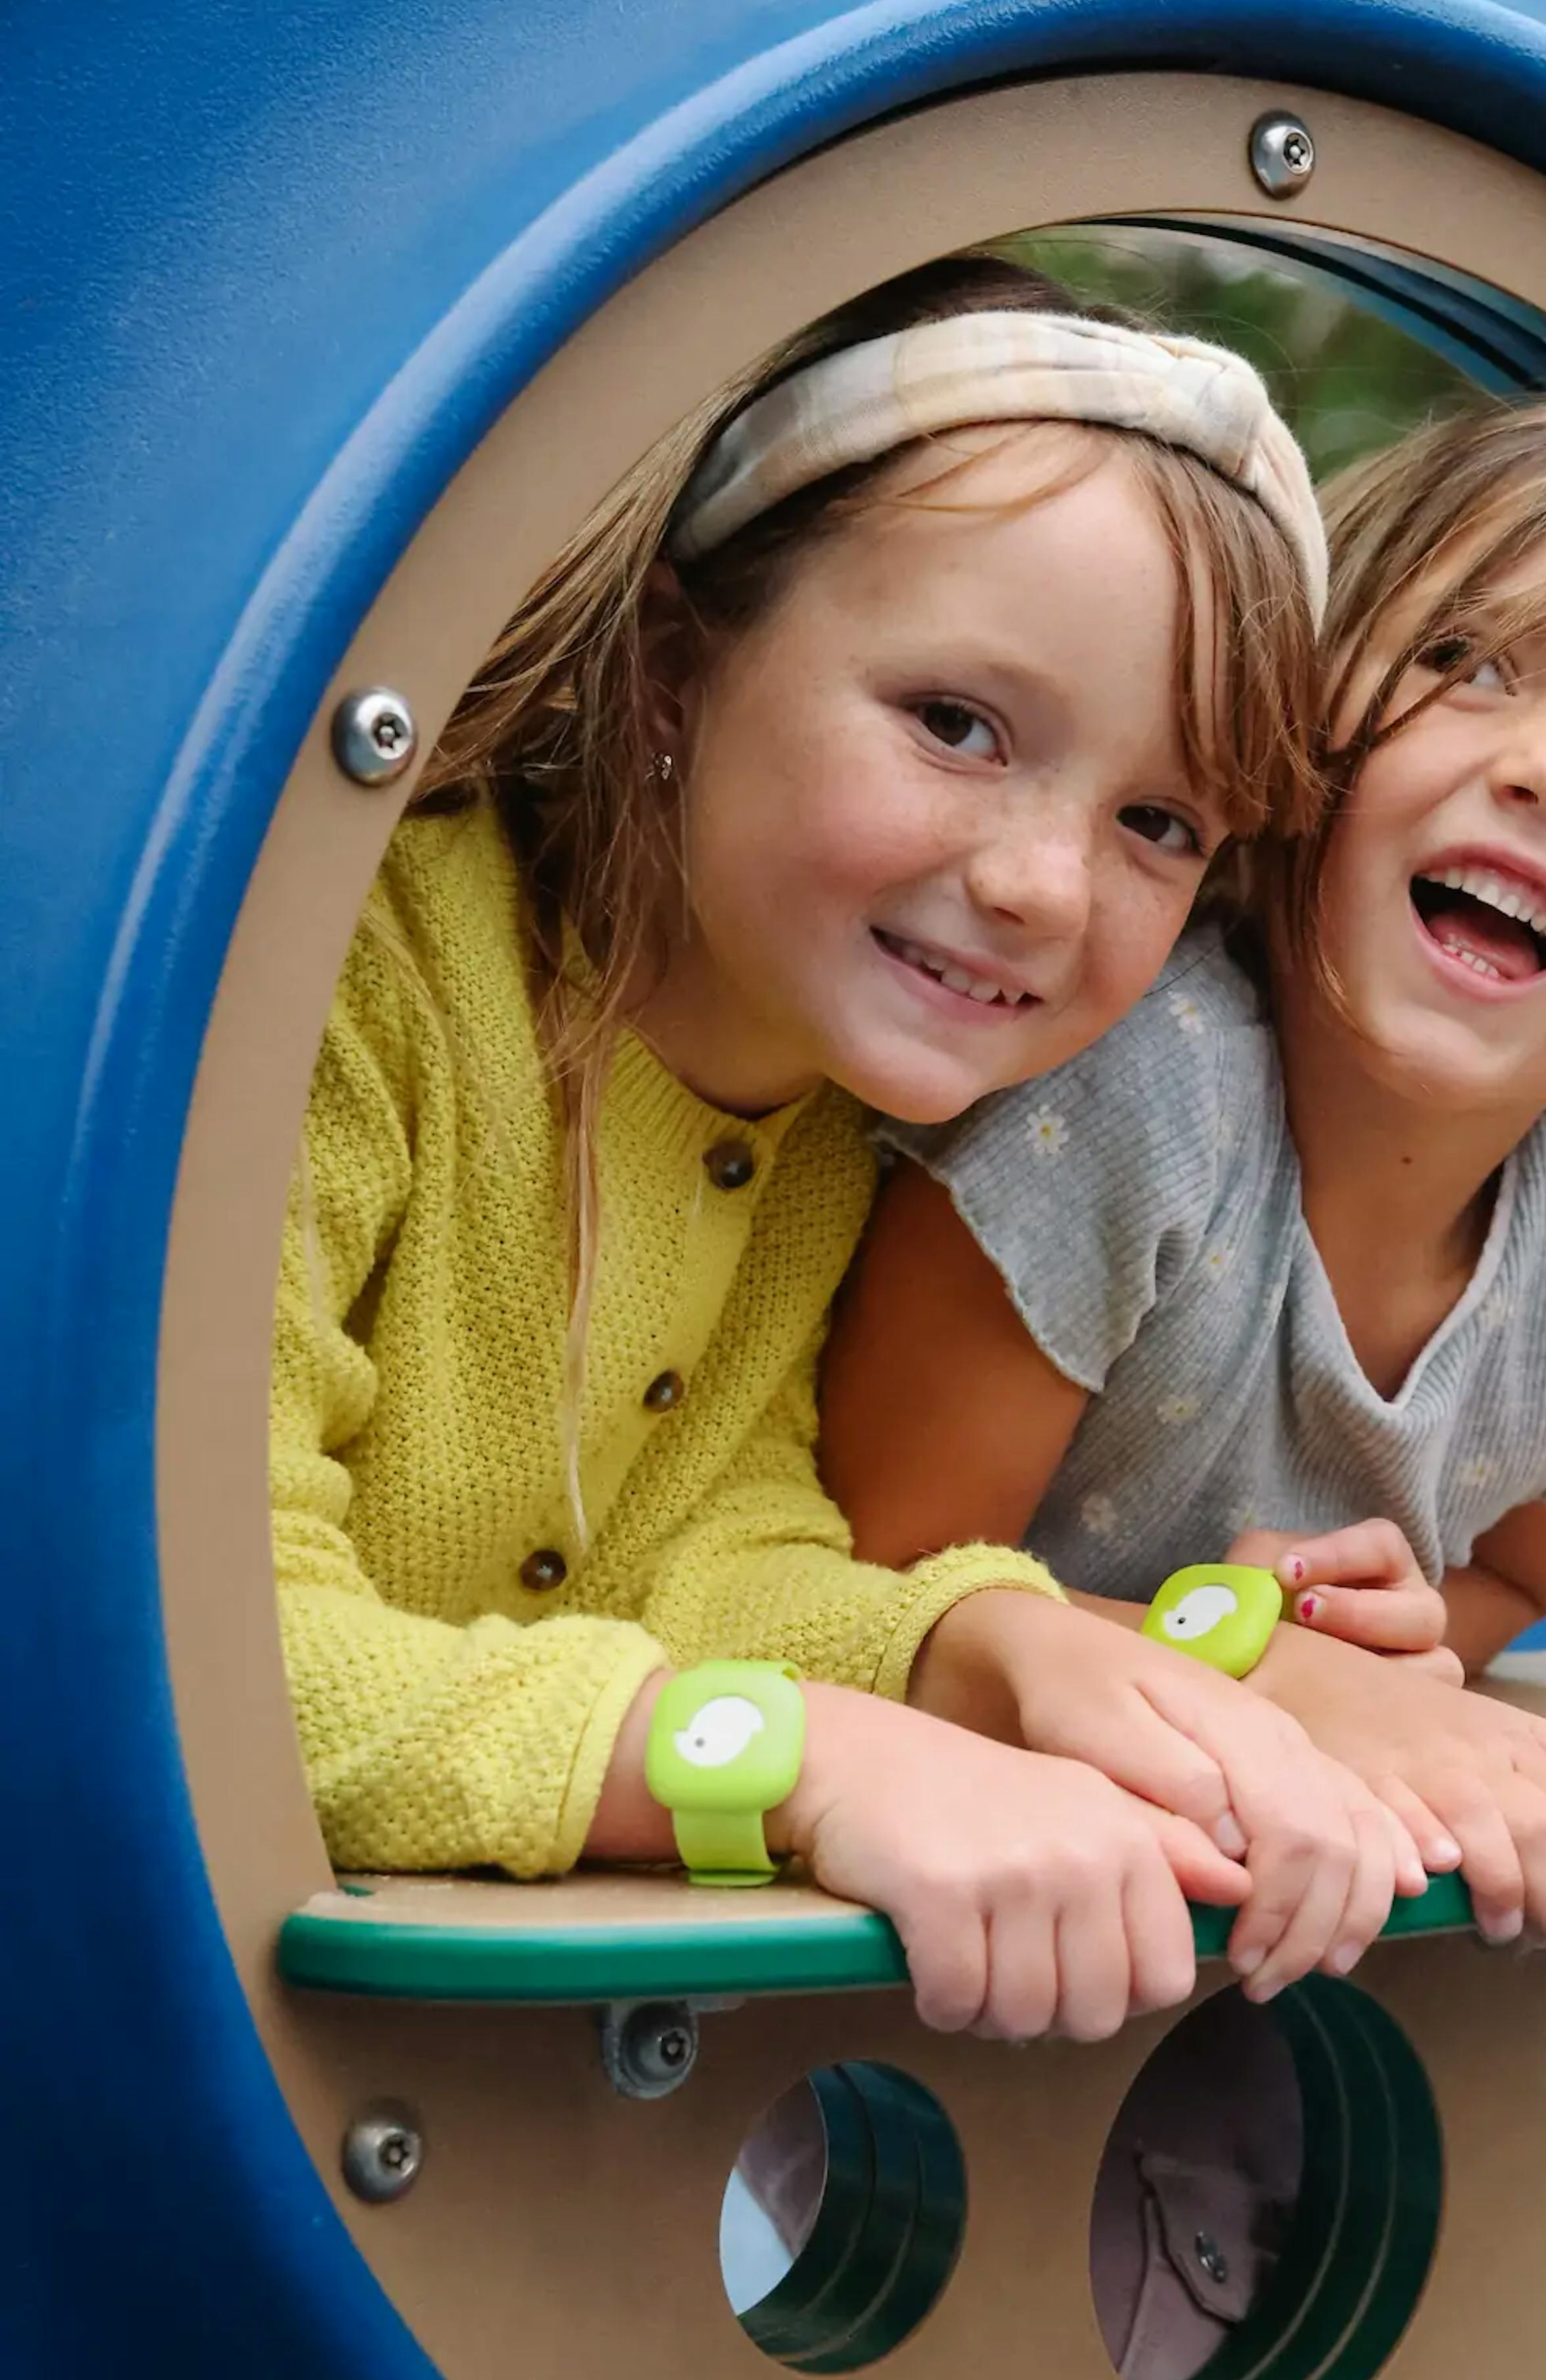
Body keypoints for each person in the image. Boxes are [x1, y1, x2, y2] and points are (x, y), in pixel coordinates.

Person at [272, 258, 1443, 2049]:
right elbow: (199, 1635)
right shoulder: (354, 979)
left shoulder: (835, 1123)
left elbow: (716, 1545)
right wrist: (803, 1760)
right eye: (956, 724)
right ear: (673, 664)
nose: (1044, 883)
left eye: (1157, 820)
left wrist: (1019, 1655)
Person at [823, 390, 1546, 1969]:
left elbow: (1513, 1566)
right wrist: (1261, 1675)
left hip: (1258, 1915)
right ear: (1292, 747)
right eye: (1468, 661)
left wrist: (1399, 1651)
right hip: (902, 1895)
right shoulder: (1130, 1096)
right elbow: (865, 1583)